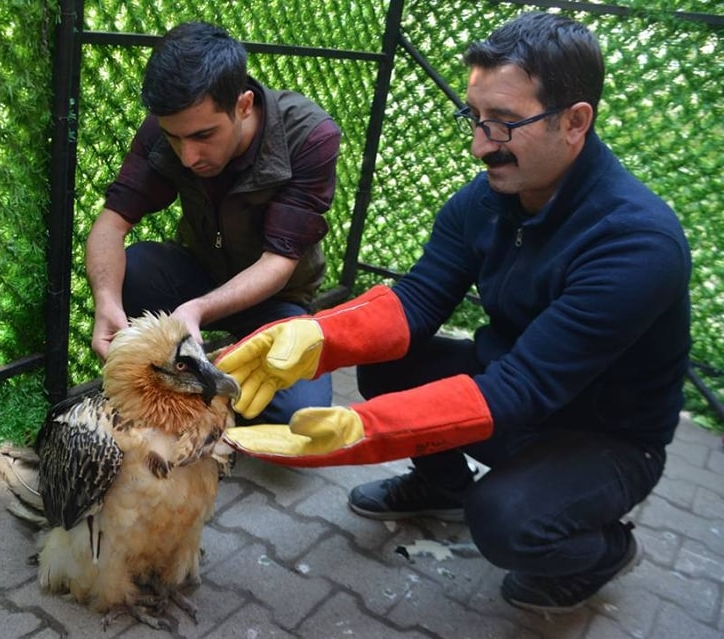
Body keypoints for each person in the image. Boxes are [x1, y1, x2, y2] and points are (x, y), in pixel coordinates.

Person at [217, 12, 690, 613]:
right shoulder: (492, 195)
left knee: (504, 520)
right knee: (391, 362)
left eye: (505, 124)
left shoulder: (636, 243)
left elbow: (524, 387)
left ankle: (602, 550)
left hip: (606, 436)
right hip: (516, 390)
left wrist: (367, 432)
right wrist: (314, 336)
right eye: (475, 117)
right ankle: (440, 486)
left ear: (575, 123)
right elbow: (417, 299)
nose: (479, 145)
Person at [85, 21, 339, 423]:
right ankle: (197, 378)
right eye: (174, 139)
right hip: (199, 270)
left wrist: (198, 311)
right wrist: (107, 303)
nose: (188, 157)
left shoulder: (310, 136)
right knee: (133, 270)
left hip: (275, 298)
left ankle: (207, 372)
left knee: (299, 412)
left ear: (243, 105)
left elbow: (278, 262)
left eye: (204, 135)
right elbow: (110, 225)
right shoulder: (165, 127)